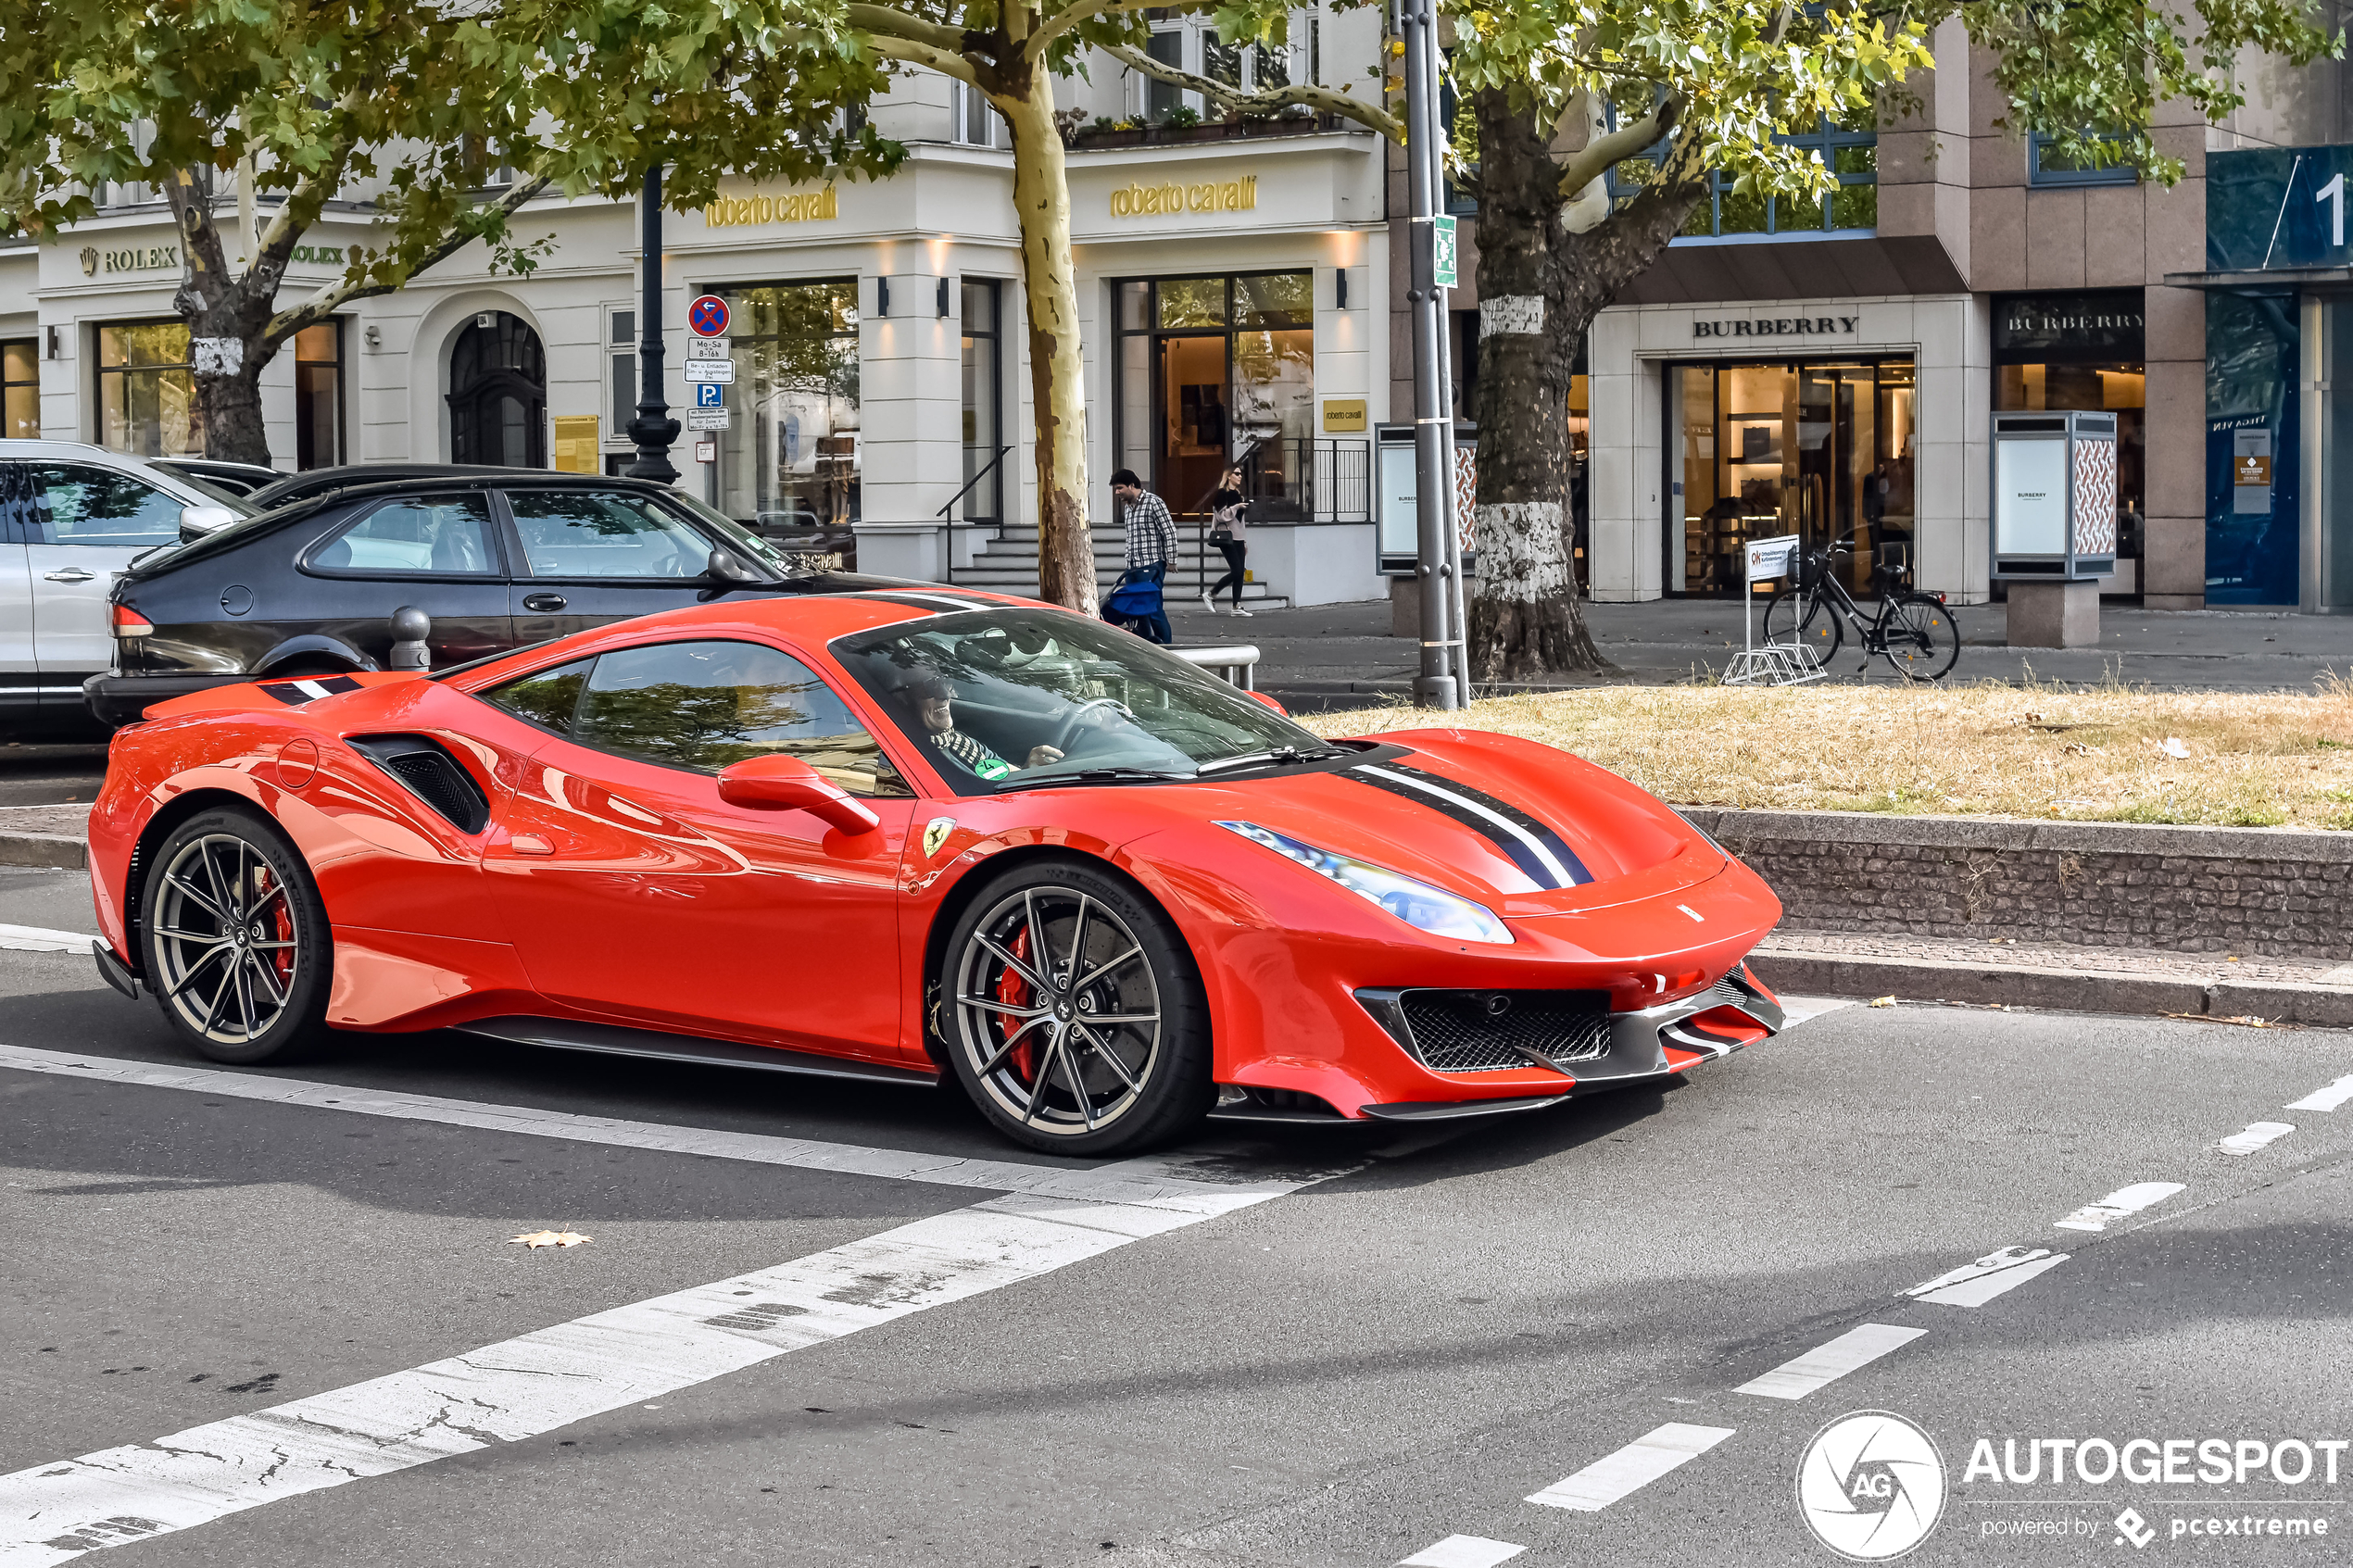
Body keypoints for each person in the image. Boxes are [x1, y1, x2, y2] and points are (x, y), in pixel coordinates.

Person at [904, 673, 1061, 782]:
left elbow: (1005, 777)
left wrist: (1028, 771)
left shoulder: (958, 742)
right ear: (898, 700)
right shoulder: (905, 765)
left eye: (944, 681)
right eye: (929, 686)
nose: (946, 695)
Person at [1109, 468, 1176, 645]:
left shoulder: (1154, 503)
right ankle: (1145, 645)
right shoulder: (1129, 508)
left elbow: (1169, 532)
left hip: (1151, 565)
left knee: (1153, 608)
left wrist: (1172, 559)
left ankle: (1168, 647)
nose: (1117, 492)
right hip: (1132, 566)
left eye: (1120, 488)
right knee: (1136, 609)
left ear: (1132, 485)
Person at [1201, 464, 1252, 617]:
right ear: (1229, 476)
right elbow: (1221, 516)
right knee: (1236, 570)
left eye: (1241, 474)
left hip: (1238, 537)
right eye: (1236, 473)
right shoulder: (1222, 494)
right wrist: (1236, 506)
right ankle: (1211, 594)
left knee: (1240, 572)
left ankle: (1236, 606)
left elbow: (1239, 522)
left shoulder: (1237, 494)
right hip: (1226, 536)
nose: (1240, 476)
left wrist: (1243, 541)